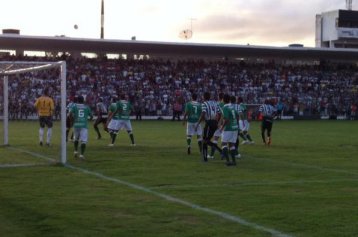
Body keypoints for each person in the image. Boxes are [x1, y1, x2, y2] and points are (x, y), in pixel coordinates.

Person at [196, 92, 222, 162]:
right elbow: (219, 113)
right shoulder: (215, 103)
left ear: (204, 97)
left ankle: (206, 158)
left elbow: (203, 113)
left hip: (209, 122)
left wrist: (198, 123)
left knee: (205, 141)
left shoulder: (204, 104)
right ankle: (219, 151)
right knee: (207, 140)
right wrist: (217, 121)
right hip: (214, 123)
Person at [69, 95, 93, 159]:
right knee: (84, 141)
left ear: (77, 100)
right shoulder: (87, 107)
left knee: (76, 138)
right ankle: (81, 155)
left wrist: (72, 120)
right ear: (83, 100)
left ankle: (75, 151)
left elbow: (69, 114)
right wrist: (88, 119)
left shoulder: (74, 106)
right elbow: (91, 116)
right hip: (83, 125)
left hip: (76, 124)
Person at [220, 94, 239, 166]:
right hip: (235, 128)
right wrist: (236, 124)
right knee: (231, 145)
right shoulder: (232, 106)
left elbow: (226, 119)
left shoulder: (225, 107)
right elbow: (237, 116)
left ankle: (228, 161)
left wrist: (222, 127)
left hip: (228, 128)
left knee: (223, 144)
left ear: (223, 100)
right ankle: (234, 161)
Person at [207, 92, 224, 159]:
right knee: (226, 140)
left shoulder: (218, 104)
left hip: (219, 124)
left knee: (215, 139)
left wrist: (218, 122)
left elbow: (219, 114)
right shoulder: (227, 104)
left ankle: (212, 155)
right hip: (227, 124)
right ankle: (235, 153)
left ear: (219, 97)